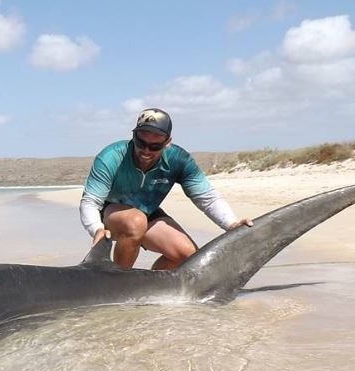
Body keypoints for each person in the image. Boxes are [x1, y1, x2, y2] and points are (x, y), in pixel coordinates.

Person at [79, 108, 252, 270]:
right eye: (141, 142)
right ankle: (116, 282)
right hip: (109, 213)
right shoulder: (112, 156)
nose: (146, 150)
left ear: (167, 142)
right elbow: (91, 202)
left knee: (189, 257)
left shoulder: (179, 160)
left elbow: (207, 198)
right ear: (134, 136)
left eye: (155, 146)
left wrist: (231, 224)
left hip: (147, 213)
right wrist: (96, 228)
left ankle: (149, 287)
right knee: (135, 221)